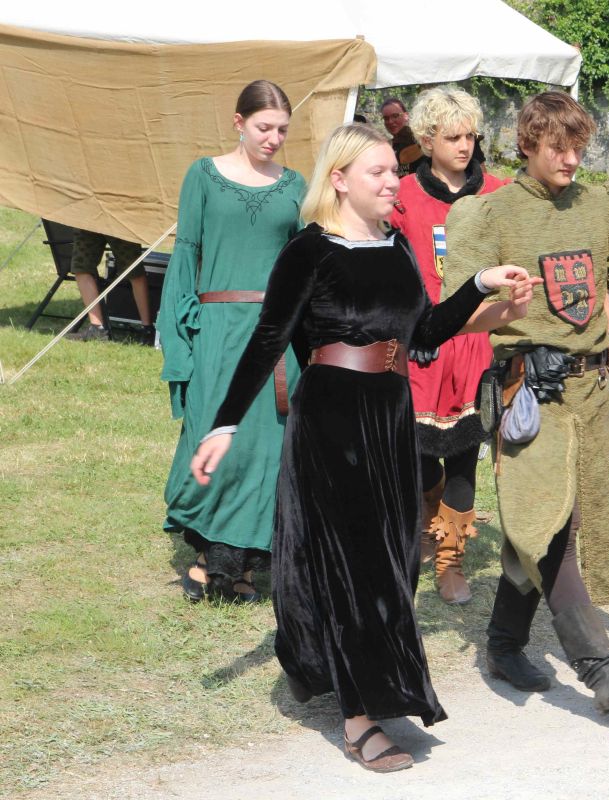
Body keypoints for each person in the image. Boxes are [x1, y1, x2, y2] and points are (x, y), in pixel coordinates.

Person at [189, 123, 537, 772]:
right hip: (332, 421)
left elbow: (425, 332)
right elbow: (268, 340)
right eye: (377, 171)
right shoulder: (309, 251)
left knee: (395, 558)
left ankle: (353, 673)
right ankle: (358, 714)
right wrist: (223, 424)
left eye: (391, 171)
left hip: (390, 418)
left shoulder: (396, 246)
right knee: (353, 562)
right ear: (340, 179)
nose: (391, 182)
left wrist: (482, 287)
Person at [441, 91, 609, 710]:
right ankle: (599, 669)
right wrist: (505, 309)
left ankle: (503, 644)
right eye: (558, 148)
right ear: (527, 144)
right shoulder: (489, 214)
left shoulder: (606, 204)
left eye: (579, 147)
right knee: (549, 525)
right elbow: (456, 316)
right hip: (528, 393)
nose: (572, 159)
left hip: (592, 391)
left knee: (553, 519)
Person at [158, 80, 306, 603]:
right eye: (265, 127)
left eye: (282, 130)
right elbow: (185, 255)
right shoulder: (202, 175)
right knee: (215, 434)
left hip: (275, 334)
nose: (274, 138)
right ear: (239, 122)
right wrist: (179, 339)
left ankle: (238, 566)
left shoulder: (295, 186)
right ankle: (210, 556)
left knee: (263, 447)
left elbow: (304, 265)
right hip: (218, 328)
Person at [388, 87, 509, 605]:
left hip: (478, 343)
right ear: (426, 139)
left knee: (463, 456)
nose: (464, 146)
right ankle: (426, 521)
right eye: (452, 137)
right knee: (417, 455)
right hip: (423, 344)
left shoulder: (499, 193)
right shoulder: (401, 196)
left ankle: (450, 558)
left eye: (470, 136)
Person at [67, 230, 153, 342]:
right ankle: (97, 329)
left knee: (134, 271)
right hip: (88, 223)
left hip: (119, 223)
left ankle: (148, 329)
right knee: (81, 268)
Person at [380, 97, 420, 178]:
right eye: (386, 118)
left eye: (395, 116)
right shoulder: (388, 145)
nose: (390, 121)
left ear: (406, 116)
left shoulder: (418, 140)